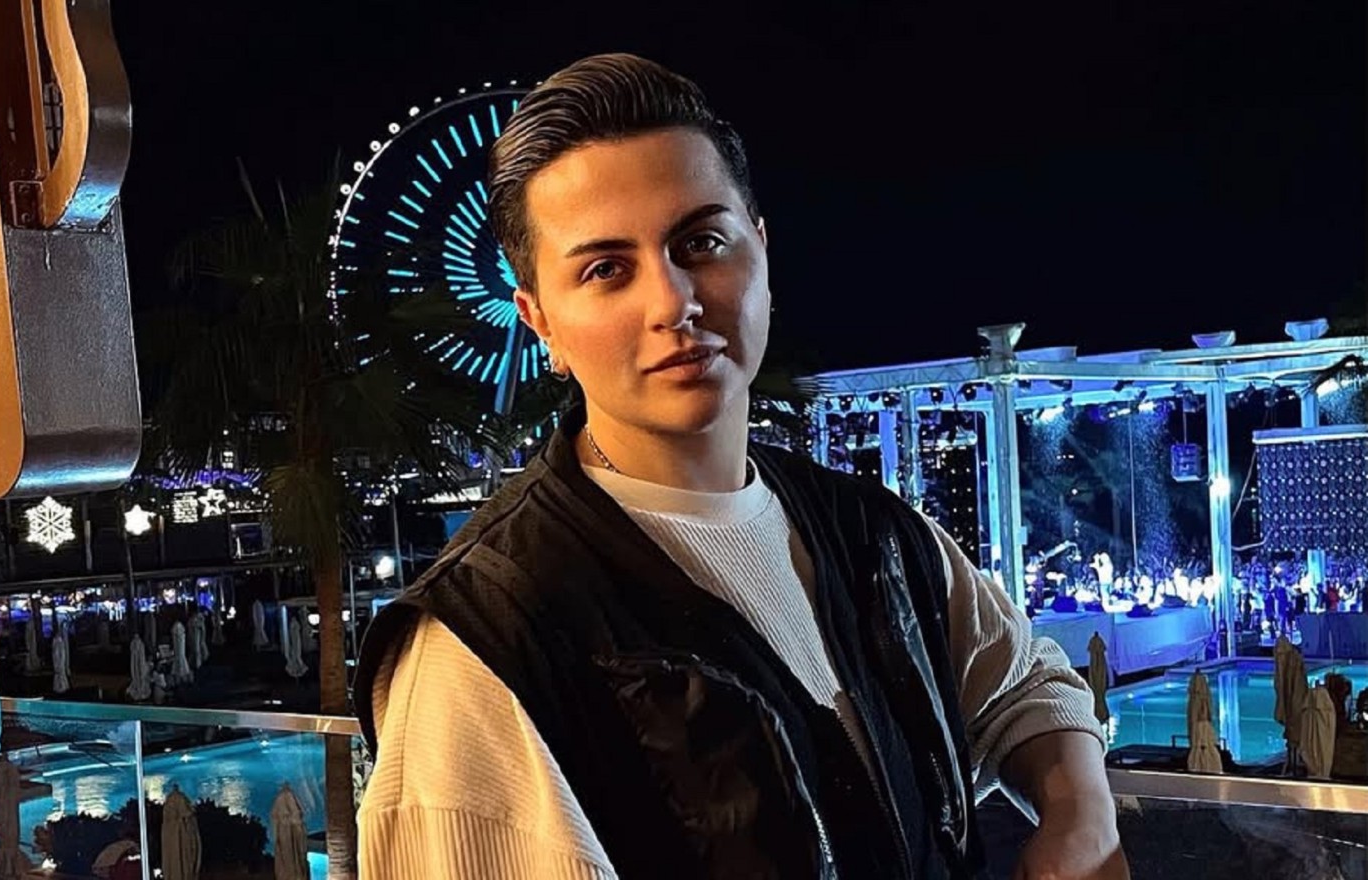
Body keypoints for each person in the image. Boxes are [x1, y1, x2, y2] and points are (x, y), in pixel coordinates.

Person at [353, 53, 1127, 879]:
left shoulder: (874, 534)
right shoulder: (486, 645)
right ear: (539, 320)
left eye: (700, 242)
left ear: (760, 250)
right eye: (606, 269)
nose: (673, 301)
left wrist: (1079, 815)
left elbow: (1022, 685)